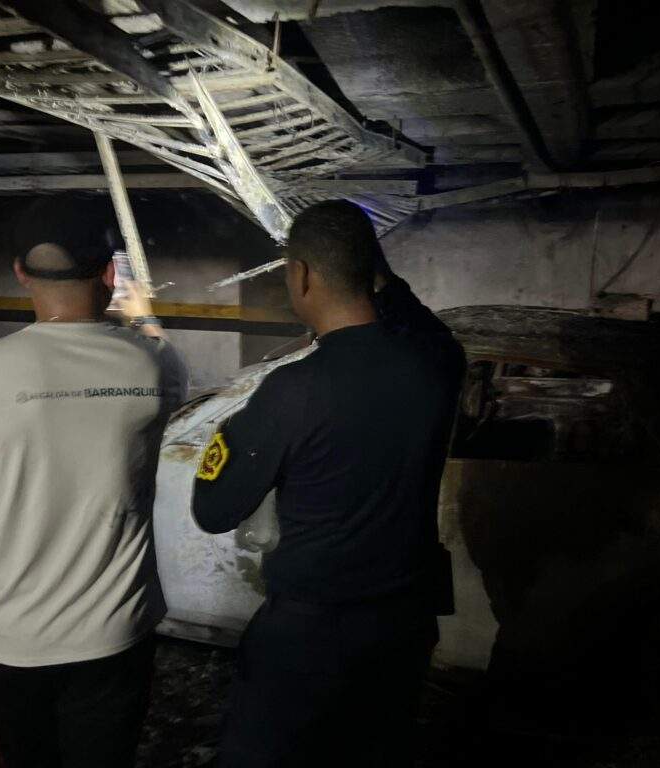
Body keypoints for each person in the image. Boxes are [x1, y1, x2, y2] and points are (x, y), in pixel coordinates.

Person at [0, 210, 187, 768]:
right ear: (109, 273)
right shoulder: (159, 364)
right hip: (119, 631)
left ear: (20, 273)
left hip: (12, 640)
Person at [192, 199, 466, 767]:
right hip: (405, 625)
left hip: (311, 635)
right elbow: (423, 324)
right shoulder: (438, 364)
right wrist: (373, 270)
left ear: (301, 276)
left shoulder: (292, 390)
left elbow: (214, 510)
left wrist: (231, 432)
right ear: (373, 271)